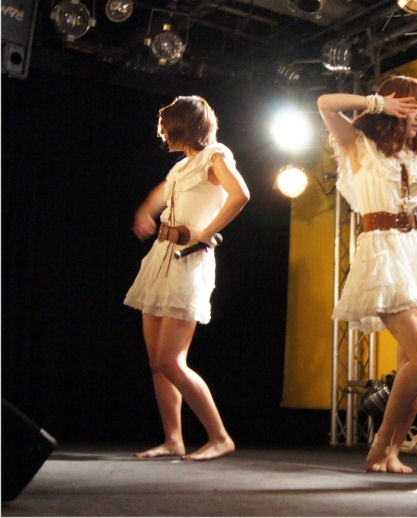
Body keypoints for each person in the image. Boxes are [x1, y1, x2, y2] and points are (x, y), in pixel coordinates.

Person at [318, 75, 417, 473]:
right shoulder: (359, 145)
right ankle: (380, 441)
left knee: (410, 366)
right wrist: (376, 103)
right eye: (411, 106)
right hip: (383, 253)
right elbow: (325, 103)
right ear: (392, 106)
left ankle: (393, 451)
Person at [124, 95, 249, 461]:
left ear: (184, 125)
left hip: (187, 262)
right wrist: (146, 212)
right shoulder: (181, 167)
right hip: (160, 259)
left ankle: (220, 437)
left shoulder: (215, 156)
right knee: (157, 362)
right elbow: (161, 193)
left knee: (171, 361)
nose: (162, 134)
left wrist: (208, 231)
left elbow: (240, 194)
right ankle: (173, 439)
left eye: (166, 127)